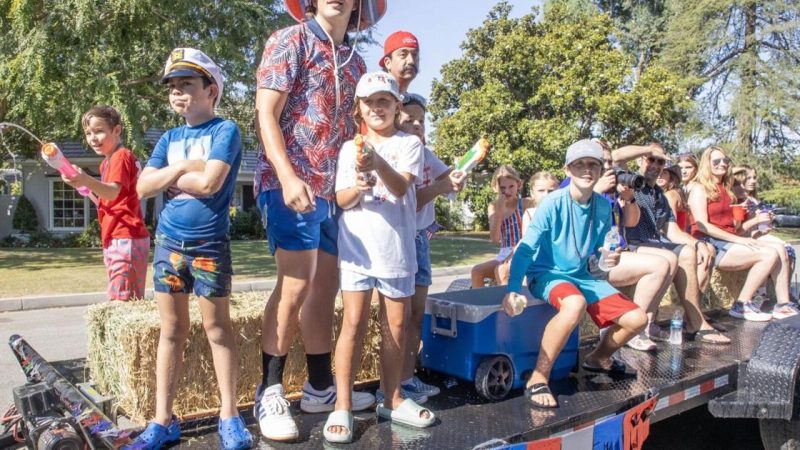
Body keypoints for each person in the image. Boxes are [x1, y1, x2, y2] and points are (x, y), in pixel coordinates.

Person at [253, 0, 384, 441]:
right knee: (294, 285)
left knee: (324, 291)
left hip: (333, 193)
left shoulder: (357, 61)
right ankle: (268, 389)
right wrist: (288, 176)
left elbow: (356, 131)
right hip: (290, 183)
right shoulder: (289, 40)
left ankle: (320, 387)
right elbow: (266, 113)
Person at [129, 48, 252, 450]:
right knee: (171, 331)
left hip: (208, 247)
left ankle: (230, 415)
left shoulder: (225, 131)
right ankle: (163, 419)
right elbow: (143, 188)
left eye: (187, 84)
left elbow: (211, 183)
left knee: (218, 329)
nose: (178, 93)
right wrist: (185, 168)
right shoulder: (170, 138)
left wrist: (171, 176)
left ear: (210, 89)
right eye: (172, 87)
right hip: (169, 246)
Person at [324, 72, 433, 444]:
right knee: (352, 324)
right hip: (357, 252)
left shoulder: (409, 144)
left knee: (397, 327)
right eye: (370, 102)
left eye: (385, 101)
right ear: (359, 108)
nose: (377, 108)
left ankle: (393, 397)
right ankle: (342, 404)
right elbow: (340, 200)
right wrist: (357, 186)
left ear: (397, 106)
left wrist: (375, 165)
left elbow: (402, 186)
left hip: (397, 253)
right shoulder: (346, 148)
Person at [504, 139, 647, 409]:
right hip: (547, 274)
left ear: (601, 169)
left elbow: (595, 259)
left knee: (637, 319)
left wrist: (607, 261)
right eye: (579, 164)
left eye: (592, 164)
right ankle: (538, 378)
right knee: (575, 303)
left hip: (583, 277)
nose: (586, 170)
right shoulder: (552, 203)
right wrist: (511, 289)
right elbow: (525, 250)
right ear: (567, 170)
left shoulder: (604, 208)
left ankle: (597, 359)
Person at [392, 93, 465, 405]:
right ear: (396, 122)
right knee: (401, 313)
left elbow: (447, 175)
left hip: (421, 239)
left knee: (417, 313)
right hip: (404, 239)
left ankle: (408, 378)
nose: (418, 125)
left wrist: (458, 176)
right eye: (410, 120)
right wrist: (440, 187)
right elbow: (410, 203)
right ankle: (392, 382)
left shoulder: (426, 153)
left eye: (422, 120)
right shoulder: (396, 157)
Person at [622, 143, 730, 344]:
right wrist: (647, 149)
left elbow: (673, 231)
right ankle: (640, 325)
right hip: (631, 243)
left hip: (653, 244)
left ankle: (692, 320)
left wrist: (699, 244)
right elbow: (616, 157)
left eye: (660, 161)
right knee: (670, 257)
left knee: (689, 252)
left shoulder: (659, 195)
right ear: (640, 160)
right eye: (650, 159)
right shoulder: (630, 181)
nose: (655, 164)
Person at [688, 146, 798, 320]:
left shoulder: (727, 190)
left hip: (729, 240)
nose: (722, 164)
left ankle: (783, 304)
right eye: (716, 161)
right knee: (768, 254)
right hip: (711, 243)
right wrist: (738, 240)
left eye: (725, 160)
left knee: (781, 249)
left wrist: (751, 226)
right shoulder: (699, 189)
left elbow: (734, 228)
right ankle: (742, 303)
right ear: (706, 164)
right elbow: (703, 227)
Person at [588, 143, 674, 351]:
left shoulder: (613, 192)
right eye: (604, 162)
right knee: (659, 265)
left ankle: (642, 324)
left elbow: (631, 222)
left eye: (610, 163)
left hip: (616, 253)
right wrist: (596, 190)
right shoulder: (578, 188)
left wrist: (630, 198)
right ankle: (631, 330)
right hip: (591, 260)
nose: (609, 166)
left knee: (667, 260)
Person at [61, 106, 150, 302]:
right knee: (120, 298)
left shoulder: (121, 156)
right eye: (88, 133)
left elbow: (112, 192)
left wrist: (86, 180)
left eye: (99, 131)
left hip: (126, 236)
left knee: (123, 301)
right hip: (116, 235)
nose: (93, 138)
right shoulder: (106, 163)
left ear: (116, 130)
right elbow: (107, 196)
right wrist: (81, 183)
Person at [471, 165, 532, 288]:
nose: (507, 191)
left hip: (522, 250)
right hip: (504, 253)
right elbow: (495, 238)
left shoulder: (525, 203)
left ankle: (507, 304)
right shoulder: (493, 207)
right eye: (502, 188)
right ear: (495, 188)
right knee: (477, 271)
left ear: (519, 185)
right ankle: (481, 305)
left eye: (511, 187)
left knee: (501, 270)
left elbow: (529, 235)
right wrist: (499, 210)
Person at [658, 164, 689, 233]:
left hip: (672, 240)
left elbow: (669, 225)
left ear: (671, 176)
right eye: (657, 172)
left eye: (664, 173)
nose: (660, 176)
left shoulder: (669, 195)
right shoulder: (675, 192)